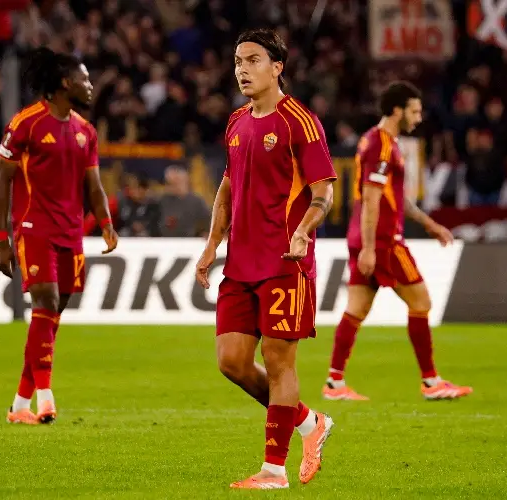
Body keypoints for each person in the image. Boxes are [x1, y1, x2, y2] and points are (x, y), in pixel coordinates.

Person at [195, 28, 336, 490]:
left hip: (284, 261)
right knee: (232, 362)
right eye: (238, 61)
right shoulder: (236, 121)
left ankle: (274, 470)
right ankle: (309, 422)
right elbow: (227, 188)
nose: (242, 69)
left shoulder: (300, 122)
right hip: (240, 263)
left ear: (277, 67)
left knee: (279, 364)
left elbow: (324, 192)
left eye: (253, 60)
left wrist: (303, 231)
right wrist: (212, 245)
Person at [0, 48, 118, 425]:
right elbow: (1, 180)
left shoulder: (85, 131)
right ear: (65, 83)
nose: (90, 86)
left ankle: (19, 405)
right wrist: (2, 239)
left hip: (71, 233)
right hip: (34, 228)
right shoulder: (26, 123)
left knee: (50, 315)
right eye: (85, 79)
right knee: (45, 301)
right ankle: (46, 399)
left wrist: (106, 223)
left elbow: (93, 185)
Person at [323, 81, 472, 402]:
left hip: (364, 236)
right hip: (383, 240)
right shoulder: (382, 146)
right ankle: (431, 381)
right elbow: (372, 198)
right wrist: (369, 248)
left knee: (356, 308)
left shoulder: (375, 141)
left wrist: (429, 224)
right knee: (421, 302)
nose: (418, 118)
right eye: (414, 111)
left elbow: (394, 197)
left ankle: (334, 382)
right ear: (396, 110)